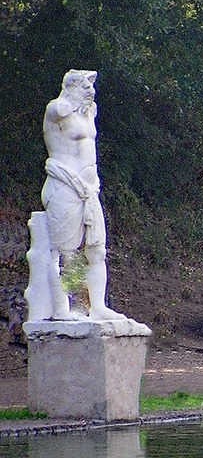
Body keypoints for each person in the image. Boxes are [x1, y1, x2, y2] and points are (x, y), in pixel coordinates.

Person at [39, 69, 124, 321]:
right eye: (85, 88)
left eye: (92, 88)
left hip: (90, 190)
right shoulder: (58, 110)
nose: (91, 92)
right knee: (66, 252)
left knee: (97, 250)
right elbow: (57, 108)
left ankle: (97, 306)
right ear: (71, 88)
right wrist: (67, 99)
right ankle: (64, 309)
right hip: (65, 187)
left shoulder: (90, 112)